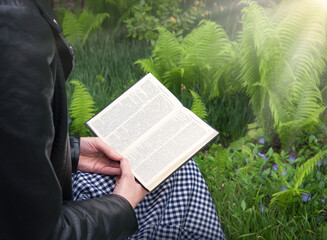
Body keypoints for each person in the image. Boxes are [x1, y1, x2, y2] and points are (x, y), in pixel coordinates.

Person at [0, 0, 226, 239]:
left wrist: (69, 150)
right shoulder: (16, 30)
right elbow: (38, 233)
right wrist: (122, 204)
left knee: (179, 172)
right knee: (177, 179)